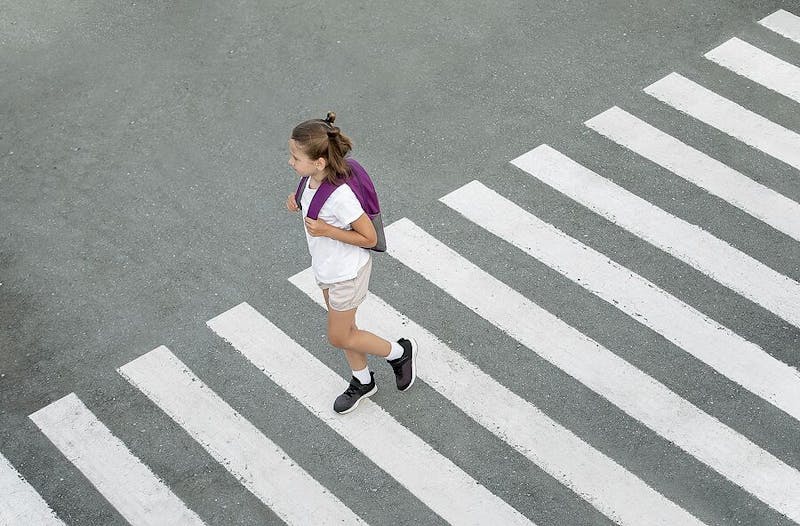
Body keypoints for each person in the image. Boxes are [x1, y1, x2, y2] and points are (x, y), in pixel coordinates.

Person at [285, 112, 418, 414]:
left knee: (339, 335)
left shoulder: (341, 197)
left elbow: (369, 238)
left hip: (347, 273)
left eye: (295, 157)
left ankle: (399, 352)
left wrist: (327, 230)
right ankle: (363, 380)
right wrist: (295, 202)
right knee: (347, 329)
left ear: (319, 162)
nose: (291, 162)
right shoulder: (309, 180)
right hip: (327, 268)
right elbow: (309, 202)